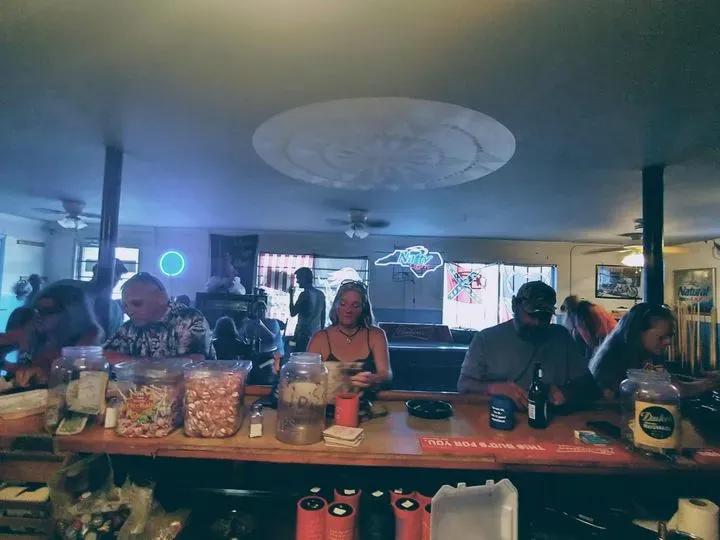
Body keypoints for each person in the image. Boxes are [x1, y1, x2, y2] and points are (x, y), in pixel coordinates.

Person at [458, 281, 599, 409]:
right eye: (532, 315)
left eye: (544, 317)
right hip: (497, 418)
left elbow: (589, 386)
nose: (537, 323)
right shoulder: (485, 339)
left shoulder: (561, 337)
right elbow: (463, 385)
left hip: (549, 420)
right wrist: (493, 388)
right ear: (515, 306)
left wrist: (565, 393)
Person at [104, 272, 215, 363]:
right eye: (125, 306)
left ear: (161, 298)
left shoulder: (189, 319)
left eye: (137, 303)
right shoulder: (129, 327)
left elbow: (194, 362)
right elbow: (106, 356)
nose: (128, 311)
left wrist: (134, 363)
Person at [306, 280, 391, 390]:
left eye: (355, 305)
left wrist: (373, 379)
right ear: (336, 306)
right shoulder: (320, 339)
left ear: (363, 309)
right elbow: (308, 378)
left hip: (366, 399)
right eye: (343, 304)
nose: (348, 310)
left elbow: (386, 375)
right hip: (329, 400)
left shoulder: (376, 335)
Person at [12, 285, 103, 387]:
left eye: (47, 311)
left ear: (70, 314)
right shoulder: (33, 330)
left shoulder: (88, 337)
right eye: (36, 310)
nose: (38, 316)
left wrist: (43, 373)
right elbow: (21, 365)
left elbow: (77, 377)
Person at [589, 303, 675, 396]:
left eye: (670, 336)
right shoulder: (613, 366)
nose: (668, 341)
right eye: (662, 337)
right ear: (638, 332)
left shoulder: (646, 356)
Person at [51, 258, 128, 338]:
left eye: (117, 276)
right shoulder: (66, 287)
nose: (112, 278)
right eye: (109, 274)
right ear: (95, 271)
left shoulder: (115, 309)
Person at [561, 295, 617, 360]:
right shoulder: (580, 315)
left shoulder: (590, 312)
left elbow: (602, 333)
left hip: (610, 338)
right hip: (602, 339)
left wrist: (598, 352)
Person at [289, 267, 325, 352]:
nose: (297, 281)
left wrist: (291, 295)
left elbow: (293, 312)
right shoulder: (321, 294)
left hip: (302, 335)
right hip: (316, 334)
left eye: (298, 278)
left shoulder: (304, 295)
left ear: (304, 279)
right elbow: (323, 317)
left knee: (294, 351)